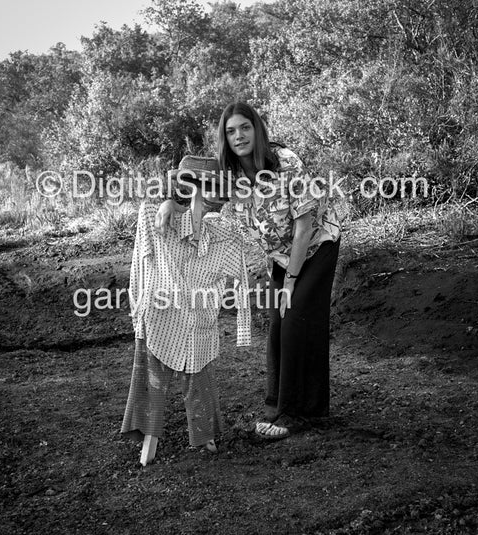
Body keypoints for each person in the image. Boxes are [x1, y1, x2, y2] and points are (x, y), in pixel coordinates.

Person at [155, 102, 340, 440]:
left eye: (244, 127)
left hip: (315, 246)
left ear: (257, 129)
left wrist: (292, 282)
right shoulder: (230, 175)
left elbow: (304, 225)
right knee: (280, 325)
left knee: (294, 319)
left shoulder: (285, 163)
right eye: (230, 131)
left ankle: (289, 415)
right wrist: (171, 201)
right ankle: (302, 407)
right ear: (224, 139)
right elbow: (199, 193)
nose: (238, 136)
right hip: (284, 258)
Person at [122, 158, 251, 464]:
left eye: (215, 191)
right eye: (204, 189)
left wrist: (243, 329)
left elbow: (243, 279)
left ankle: (205, 435)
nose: (211, 199)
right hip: (160, 318)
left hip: (198, 322)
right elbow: (140, 265)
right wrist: (138, 306)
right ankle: (149, 438)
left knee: (200, 380)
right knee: (152, 380)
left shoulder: (225, 234)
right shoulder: (154, 218)